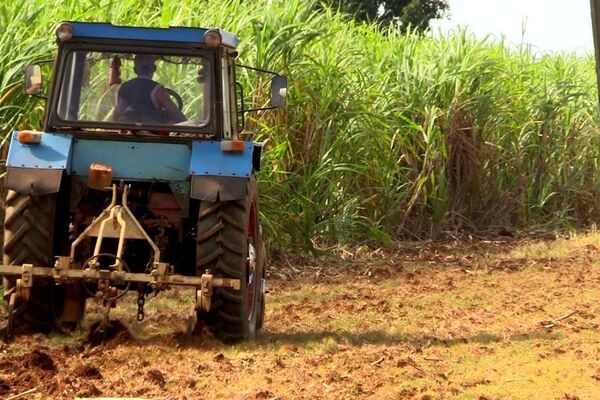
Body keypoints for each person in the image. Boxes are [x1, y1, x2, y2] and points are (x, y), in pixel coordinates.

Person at [113, 54, 186, 125]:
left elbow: (116, 115)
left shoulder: (122, 87)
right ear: (154, 68)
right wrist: (190, 127)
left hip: (125, 133)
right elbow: (175, 114)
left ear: (135, 70)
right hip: (150, 134)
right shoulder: (158, 89)